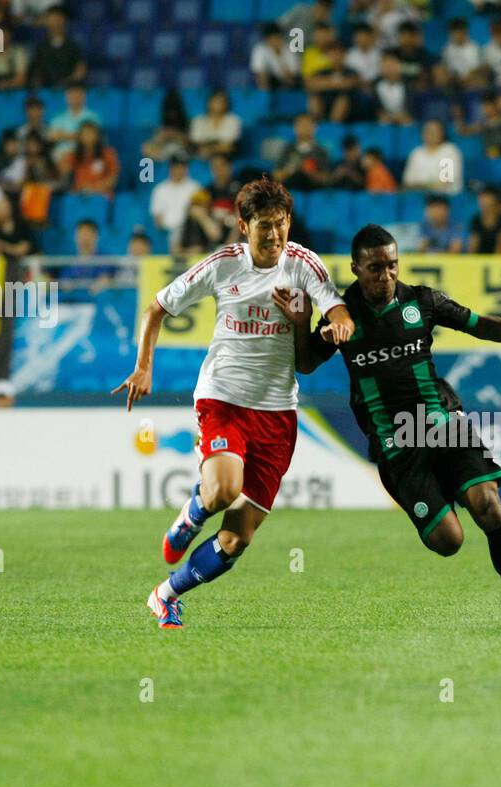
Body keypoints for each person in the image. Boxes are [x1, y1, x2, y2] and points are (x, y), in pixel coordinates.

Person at [112, 178, 356, 630]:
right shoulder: (224, 265)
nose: (274, 235)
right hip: (222, 396)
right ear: (244, 226)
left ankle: (165, 594)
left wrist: (341, 325)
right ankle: (193, 512)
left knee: (235, 540)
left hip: (279, 412)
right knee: (224, 488)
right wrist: (144, 366)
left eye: (280, 224)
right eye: (264, 225)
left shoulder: (305, 264)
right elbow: (156, 308)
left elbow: (336, 308)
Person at [289, 224, 501, 588]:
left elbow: (477, 324)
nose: (387, 275)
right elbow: (305, 363)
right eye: (375, 268)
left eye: (392, 265)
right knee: (448, 541)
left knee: (488, 505)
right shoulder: (342, 315)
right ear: (355, 268)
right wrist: (302, 324)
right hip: (395, 444)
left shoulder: (423, 301)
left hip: (441, 423)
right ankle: (442, 491)